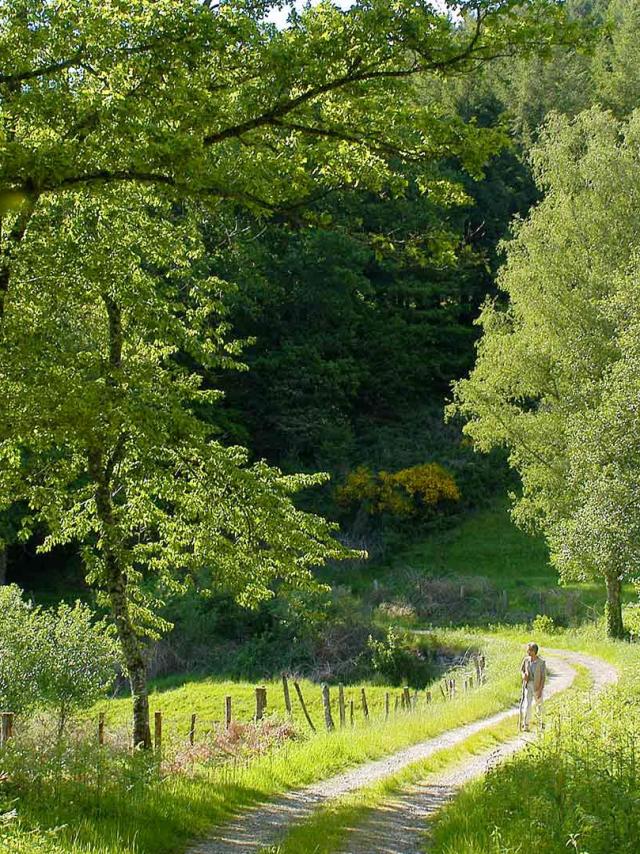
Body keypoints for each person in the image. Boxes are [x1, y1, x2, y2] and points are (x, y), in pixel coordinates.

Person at [520, 641, 546, 731]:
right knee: (527, 705)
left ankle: (541, 724)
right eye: (527, 651)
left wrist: (540, 690)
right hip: (528, 685)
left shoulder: (541, 663)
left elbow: (543, 677)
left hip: (537, 686)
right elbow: (522, 670)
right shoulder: (526, 660)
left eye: (529, 651)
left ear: (534, 651)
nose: (528, 653)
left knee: (539, 705)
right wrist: (523, 676)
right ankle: (525, 725)